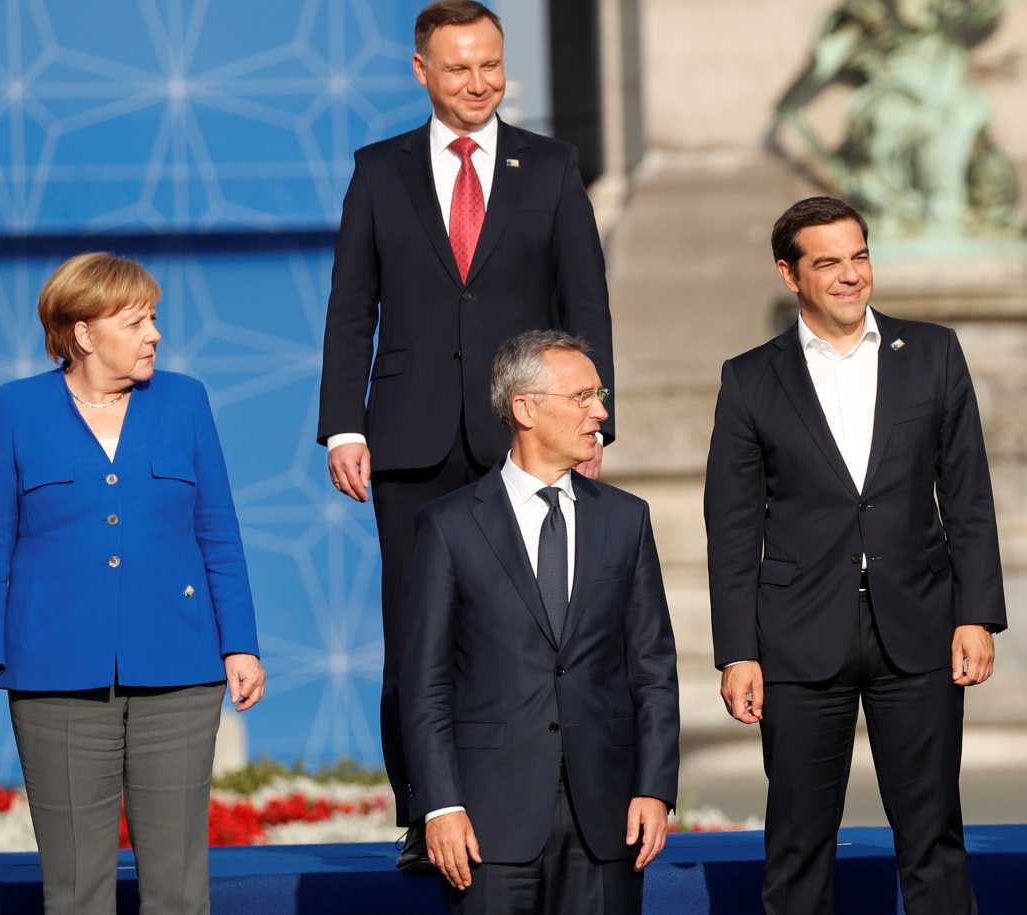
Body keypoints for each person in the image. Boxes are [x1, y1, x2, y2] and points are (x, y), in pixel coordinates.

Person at [315, 0, 614, 867]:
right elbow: (349, 310)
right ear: (422, 72)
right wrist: (343, 425)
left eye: (491, 65)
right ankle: (424, 811)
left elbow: (584, 302)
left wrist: (596, 415)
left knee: (538, 628)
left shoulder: (552, 166)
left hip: (526, 436)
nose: (479, 83)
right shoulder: (379, 171)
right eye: (459, 68)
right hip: (408, 439)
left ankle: (545, 802)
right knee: (417, 629)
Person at [705, 196, 1006, 915]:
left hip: (921, 627)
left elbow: (967, 493)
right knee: (799, 844)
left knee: (933, 836)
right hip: (799, 634)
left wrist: (977, 615)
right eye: (829, 261)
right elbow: (733, 526)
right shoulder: (750, 377)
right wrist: (737, 651)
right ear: (791, 274)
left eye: (860, 256)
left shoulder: (932, 352)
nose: (850, 275)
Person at [0, 252, 266, 914]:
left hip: (180, 670)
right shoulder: (13, 409)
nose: (154, 333)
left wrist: (239, 641)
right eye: (137, 321)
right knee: (75, 889)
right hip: (54, 676)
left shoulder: (186, 400)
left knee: (179, 888)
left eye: (154, 318)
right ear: (84, 332)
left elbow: (218, 530)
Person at [401, 331, 677, 914]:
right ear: (524, 408)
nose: (601, 411)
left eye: (599, 394)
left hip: (608, 823)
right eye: (582, 396)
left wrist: (654, 787)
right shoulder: (449, 526)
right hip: (486, 825)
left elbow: (652, 667)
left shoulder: (626, 519)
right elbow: (423, 682)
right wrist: (440, 805)